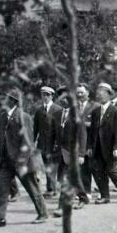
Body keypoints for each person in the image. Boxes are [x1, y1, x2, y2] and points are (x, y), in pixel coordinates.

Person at [0, 88, 47, 228]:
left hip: (22, 161)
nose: (2, 101)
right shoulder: (3, 117)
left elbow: (28, 142)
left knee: (32, 188)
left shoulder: (24, 117)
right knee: (0, 187)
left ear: (13, 101)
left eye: (5, 98)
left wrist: (22, 161)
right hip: (7, 161)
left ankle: (43, 213)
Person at [52, 87, 89, 217]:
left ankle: (62, 207)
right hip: (61, 153)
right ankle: (83, 197)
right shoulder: (57, 114)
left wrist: (81, 154)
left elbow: (82, 135)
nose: (63, 100)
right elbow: (54, 133)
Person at [89, 83, 117, 204]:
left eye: (103, 94)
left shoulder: (116, 111)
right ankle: (105, 196)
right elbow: (92, 132)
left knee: (111, 170)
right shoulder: (95, 112)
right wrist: (89, 147)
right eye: (98, 94)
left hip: (110, 147)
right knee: (98, 171)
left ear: (109, 95)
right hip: (97, 147)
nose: (100, 96)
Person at [34, 86, 62, 198]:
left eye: (47, 95)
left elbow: (60, 129)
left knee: (53, 166)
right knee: (47, 165)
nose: (45, 97)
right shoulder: (39, 110)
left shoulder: (58, 109)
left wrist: (57, 143)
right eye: (43, 95)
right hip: (43, 144)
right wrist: (33, 141)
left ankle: (52, 189)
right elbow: (35, 127)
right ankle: (52, 188)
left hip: (54, 144)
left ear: (51, 96)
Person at [76, 84, 99, 195]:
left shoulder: (95, 106)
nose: (79, 95)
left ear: (88, 93)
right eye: (78, 93)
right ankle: (87, 192)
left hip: (93, 142)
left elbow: (100, 124)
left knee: (96, 168)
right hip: (80, 142)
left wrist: (85, 124)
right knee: (83, 169)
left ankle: (103, 192)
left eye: (82, 92)